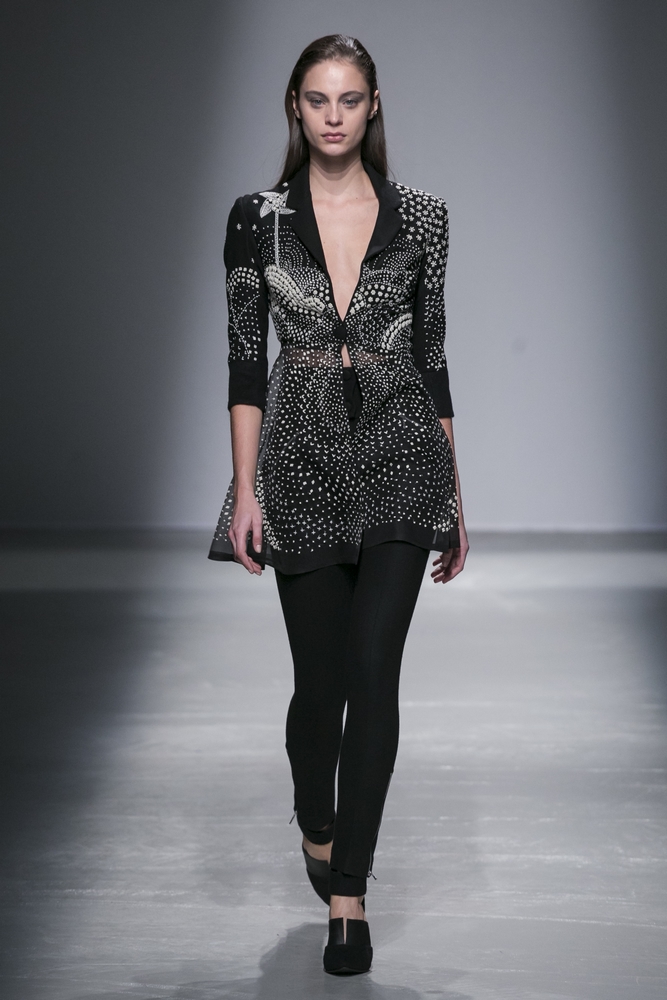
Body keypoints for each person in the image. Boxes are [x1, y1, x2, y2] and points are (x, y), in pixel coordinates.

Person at [209, 34, 468, 975]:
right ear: (294, 106)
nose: (332, 115)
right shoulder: (257, 219)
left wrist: (454, 492)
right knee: (320, 689)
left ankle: (349, 895)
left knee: (373, 674)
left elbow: (432, 356)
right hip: (302, 460)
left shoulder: (423, 216)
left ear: (372, 106)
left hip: (401, 453)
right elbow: (246, 362)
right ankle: (314, 820)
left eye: (348, 99)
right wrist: (245, 490)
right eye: (316, 99)